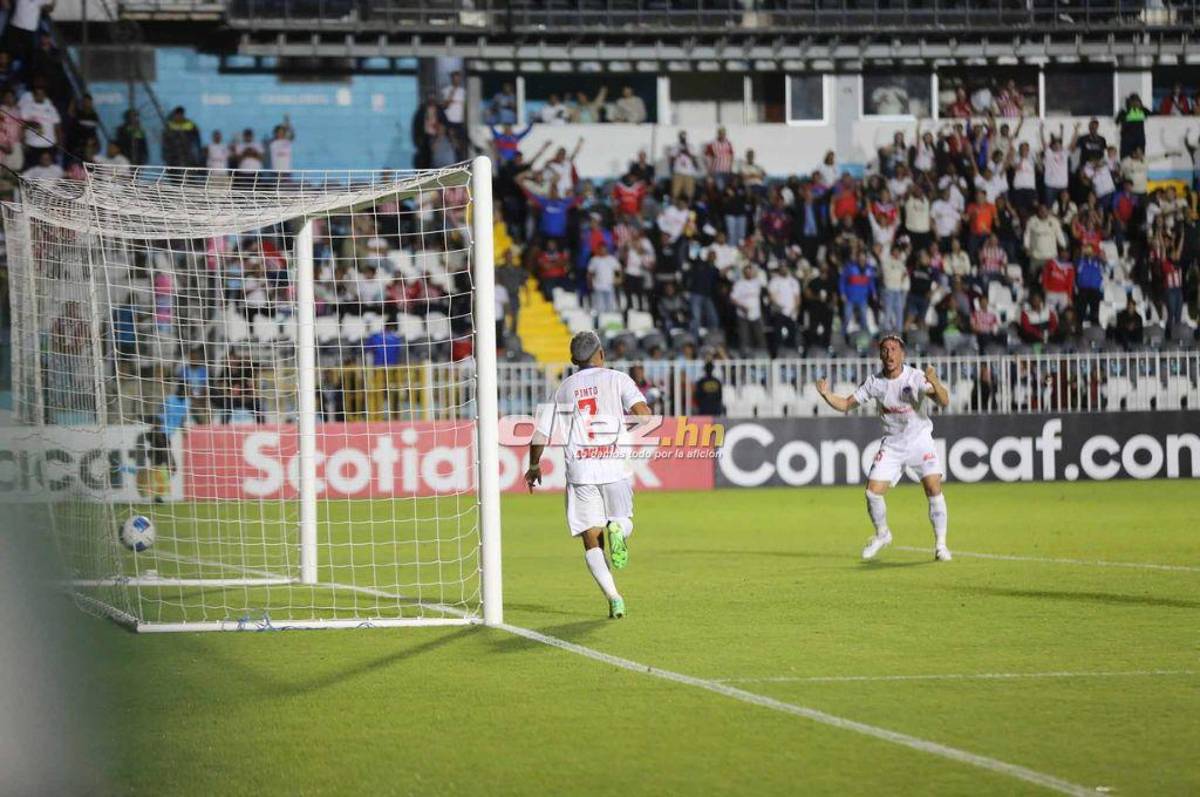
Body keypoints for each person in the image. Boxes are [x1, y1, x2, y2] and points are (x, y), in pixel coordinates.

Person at [525, 331, 652, 619]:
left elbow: (540, 435)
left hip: (581, 471)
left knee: (591, 538)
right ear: (601, 354)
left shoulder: (563, 389)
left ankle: (614, 598)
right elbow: (644, 415)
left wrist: (534, 466)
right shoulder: (618, 379)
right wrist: (621, 429)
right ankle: (618, 529)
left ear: (573, 360)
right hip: (614, 465)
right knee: (622, 520)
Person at [815, 336, 952, 562]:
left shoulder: (915, 377)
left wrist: (935, 382)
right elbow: (847, 404)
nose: (889, 354)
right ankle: (883, 534)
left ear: (902, 354)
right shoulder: (874, 383)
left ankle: (941, 546)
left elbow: (944, 401)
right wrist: (826, 394)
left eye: (894, 349)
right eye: (885, 350)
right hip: (893, 444)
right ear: (880, 355)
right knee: (872, 492)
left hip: (919, 441)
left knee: (933, 488)